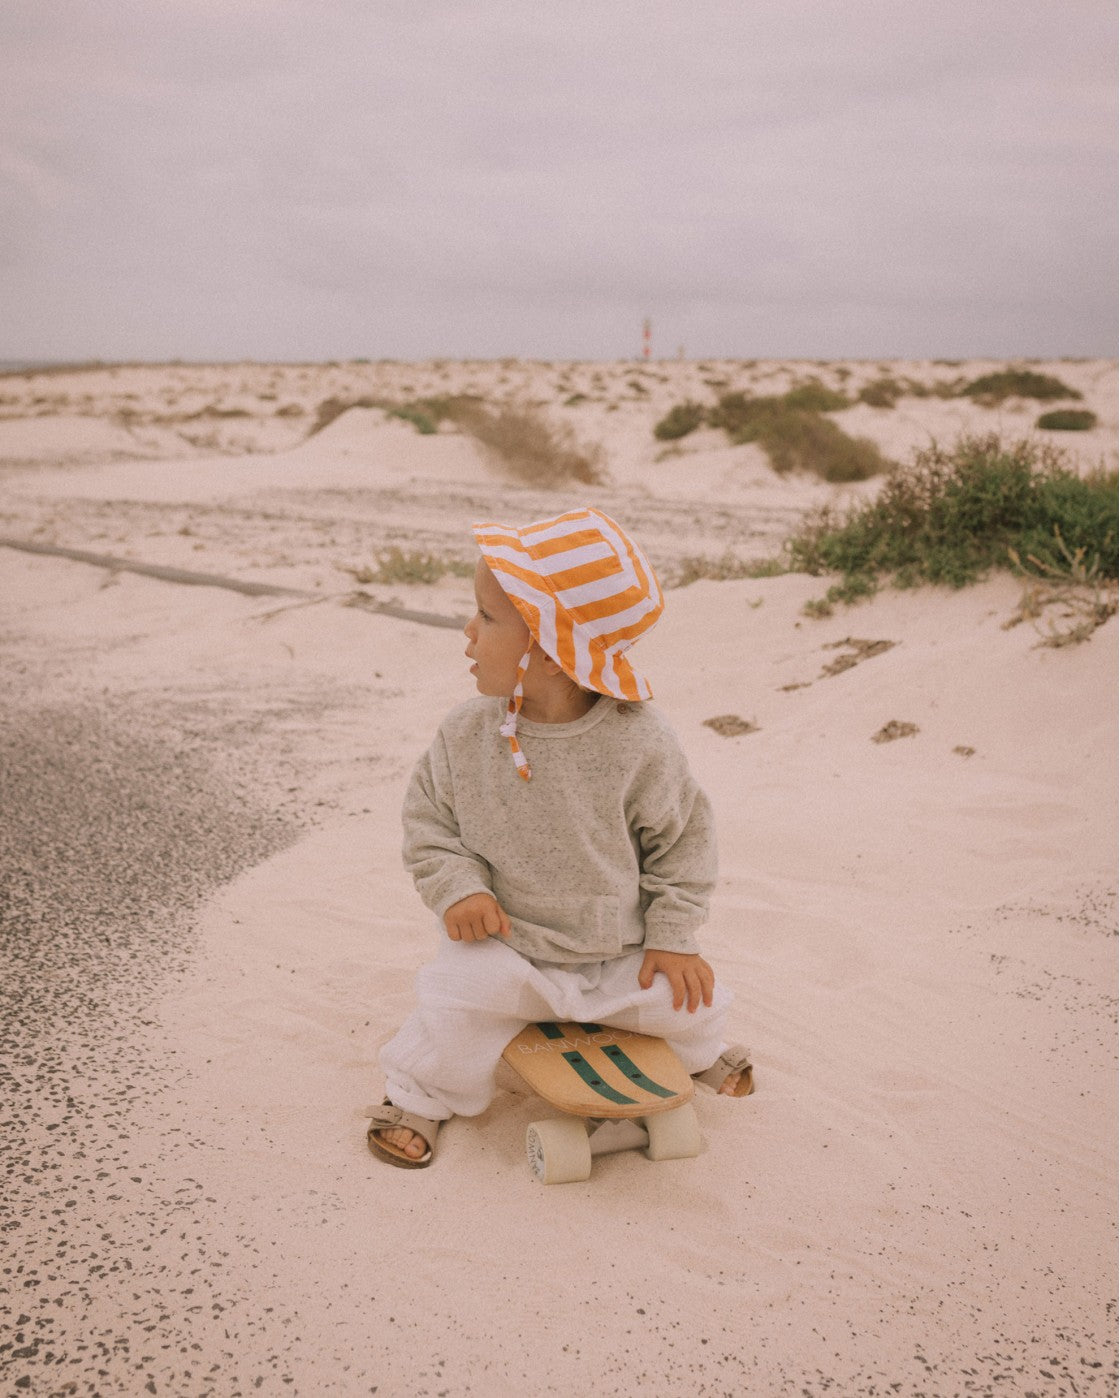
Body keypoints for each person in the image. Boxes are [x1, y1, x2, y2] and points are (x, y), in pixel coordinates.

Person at [367, 507, 753, 1167]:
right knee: (453, 1000)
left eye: (487, 617)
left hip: (616, 952)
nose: (468, 632)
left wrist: (671, 936)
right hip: (506, 948)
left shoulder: (640, 741)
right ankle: (420, 1096)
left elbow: (684, 844)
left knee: (692, 997)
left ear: (549, 651)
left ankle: (696, 1052)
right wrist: (458, 888)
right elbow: (429, 822)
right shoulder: (466, 734)